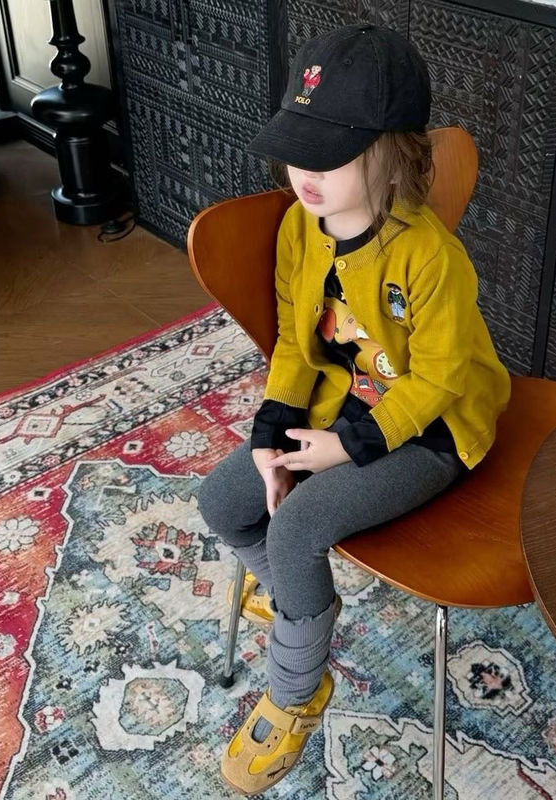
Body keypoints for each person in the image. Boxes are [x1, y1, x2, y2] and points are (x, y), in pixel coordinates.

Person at [197, 22, 510, 795]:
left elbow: (438, 384)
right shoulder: (298, 228)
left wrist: (346, 448)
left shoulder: (430, 257)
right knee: (224, 501)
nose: (303, 172)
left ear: (392, 154)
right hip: (346, 403)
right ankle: (300, 609)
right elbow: (294, 347)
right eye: (296, 147)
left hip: (433, 430)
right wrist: (271, 434)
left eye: (328, 153)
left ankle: (296, 693)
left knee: (297, 526)